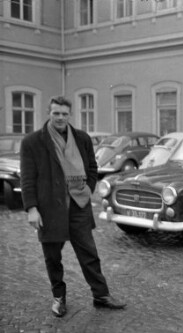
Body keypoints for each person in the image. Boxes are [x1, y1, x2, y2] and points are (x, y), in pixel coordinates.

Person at [20, 96, 126, 317]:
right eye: (56, 113)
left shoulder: (82, 138)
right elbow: (28, 178)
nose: (60, 117)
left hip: (79, 204)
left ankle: (101, 295)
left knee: (89, 253)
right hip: (49, 208)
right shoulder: (32, 142)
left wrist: (88, 188)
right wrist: (31, 208)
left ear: (70, 115)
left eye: (64, 114)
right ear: (49, 113)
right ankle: (59, 298)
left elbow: (92, 167)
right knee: (53, 257)